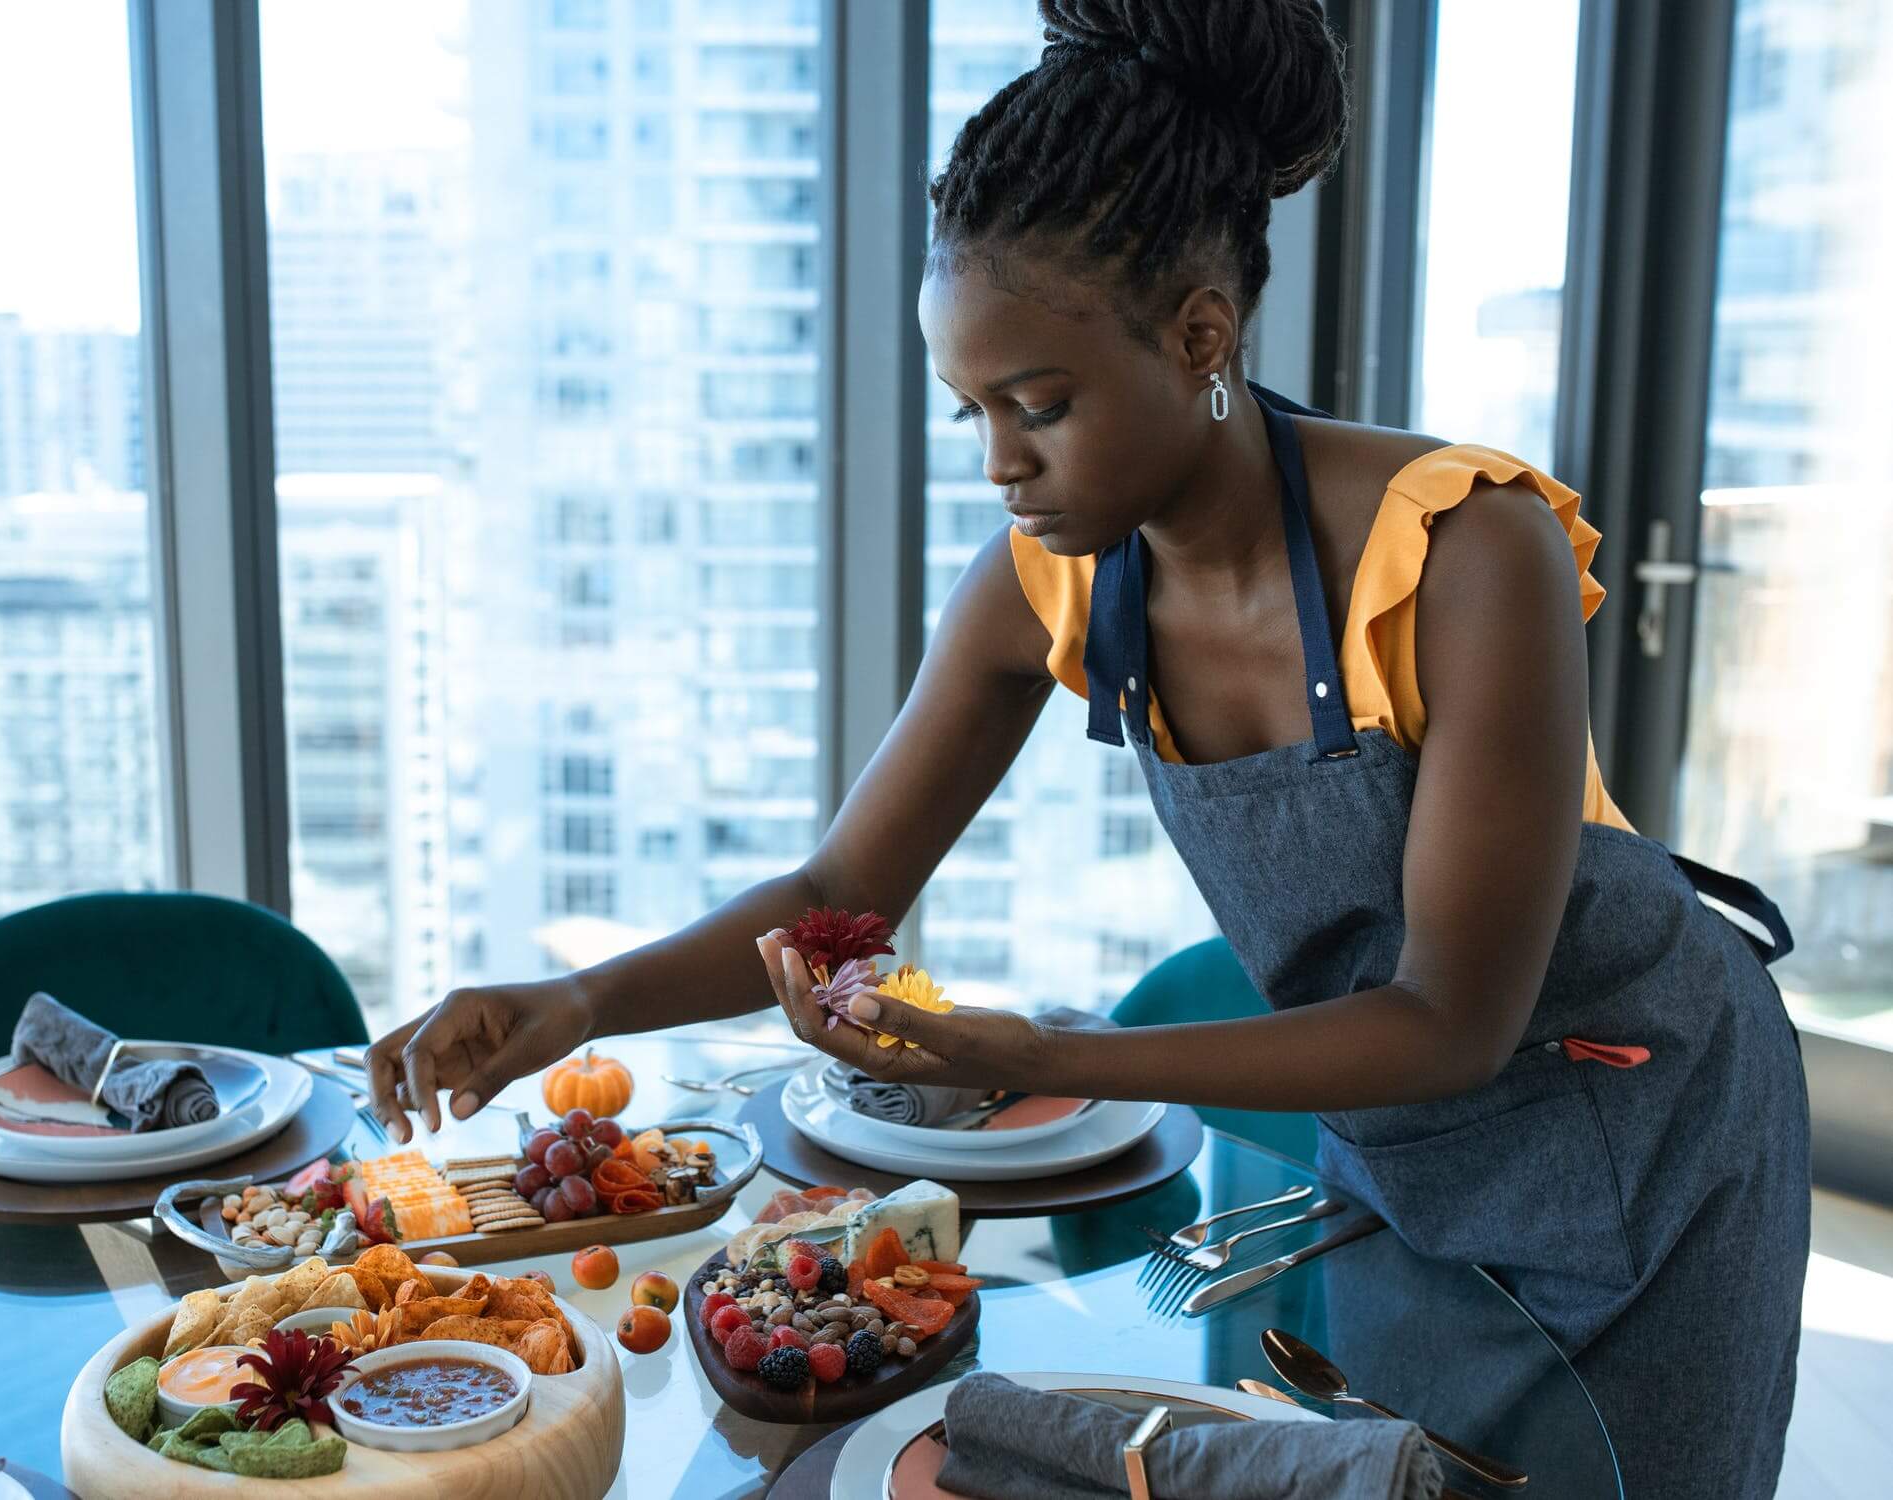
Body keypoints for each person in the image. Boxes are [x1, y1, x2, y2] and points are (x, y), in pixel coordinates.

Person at [365, 2, 1808, 1492]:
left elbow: (1447, 1015)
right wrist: (578, 1003)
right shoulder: (1048, 578)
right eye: (970, 411)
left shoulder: (1460, 551)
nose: (1000, 463)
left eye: (1038, 407)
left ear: (1198, 334)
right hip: (1411, 1155)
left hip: (1642, 1141)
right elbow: (843, 883)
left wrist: (1035, 1054)